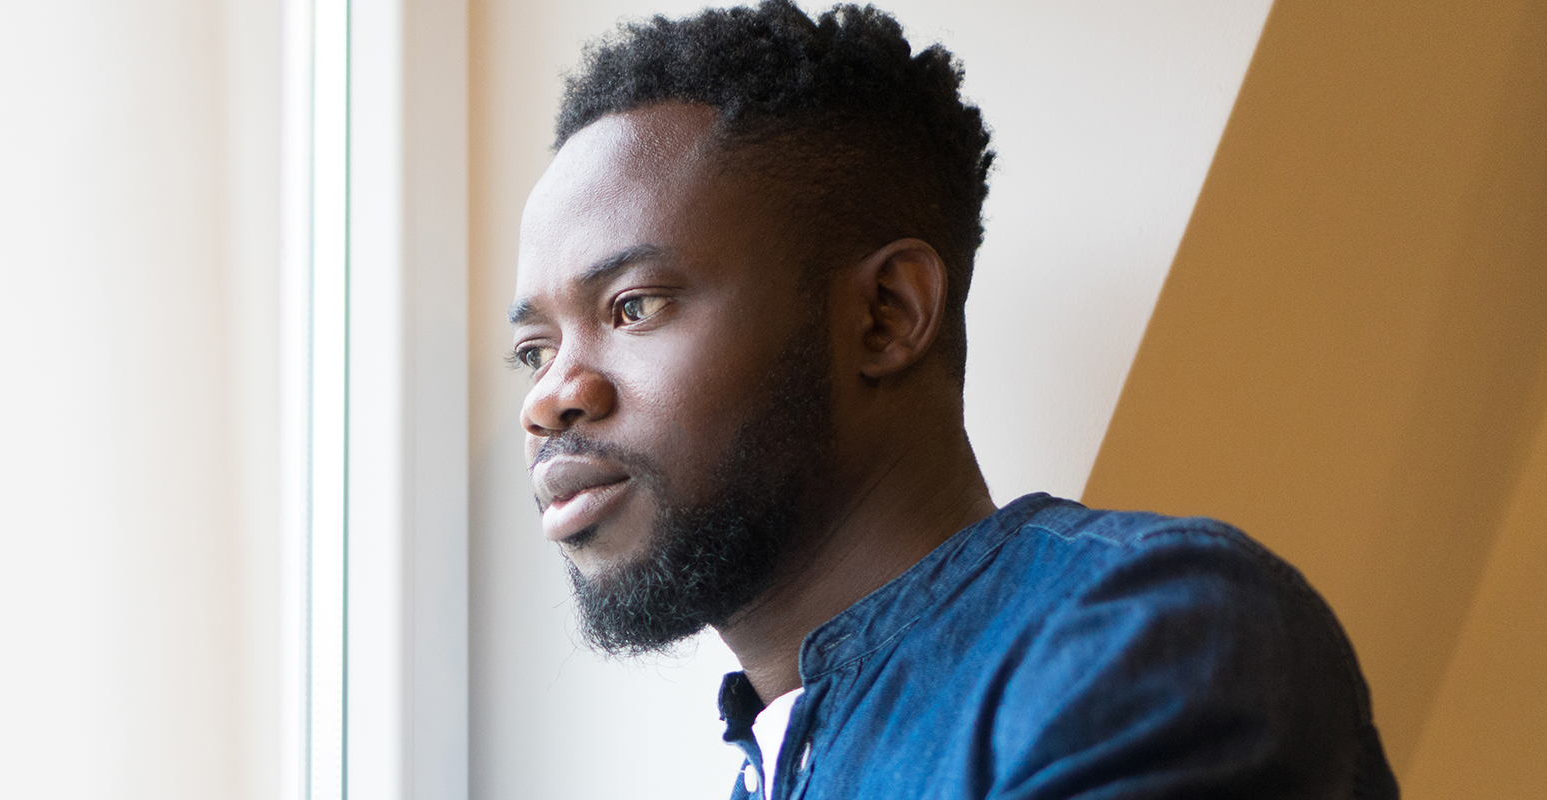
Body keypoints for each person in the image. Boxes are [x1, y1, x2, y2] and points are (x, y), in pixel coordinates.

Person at [506, 2, 1399, 797]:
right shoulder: (779, 755)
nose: (549, 400)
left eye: (633, 307)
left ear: (887, 315)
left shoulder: (1140, 637)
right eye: (533, 350)